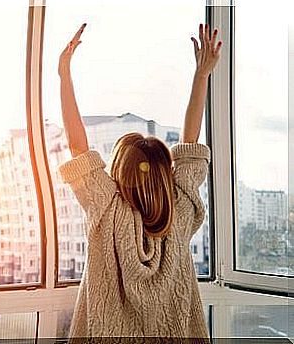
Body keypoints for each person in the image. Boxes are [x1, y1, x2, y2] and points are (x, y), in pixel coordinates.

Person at [57, 23, 222, 342]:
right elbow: (190, 143)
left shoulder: (106, 208)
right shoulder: (180, 211)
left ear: (119, 170)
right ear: (164, 172)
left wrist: (64, 74)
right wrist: (201, 75)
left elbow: (78, 147)